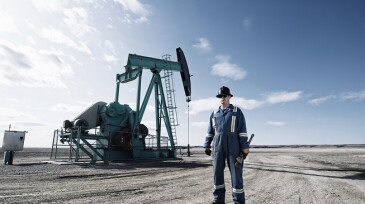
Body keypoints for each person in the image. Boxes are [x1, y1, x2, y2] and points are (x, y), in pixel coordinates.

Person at [204, 86, 249, 204]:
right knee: (217, 173)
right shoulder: (214, 113)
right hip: (218, 146)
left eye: (224, 96)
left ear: (229, 97)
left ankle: (238, 201)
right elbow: (210, 131)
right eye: (220, 96)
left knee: (236, 174)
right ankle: (218, 199)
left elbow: (242, 131)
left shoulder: (236, 112)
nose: (222, 98)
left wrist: (244, 147)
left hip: (233, 145)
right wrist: (207, 144)